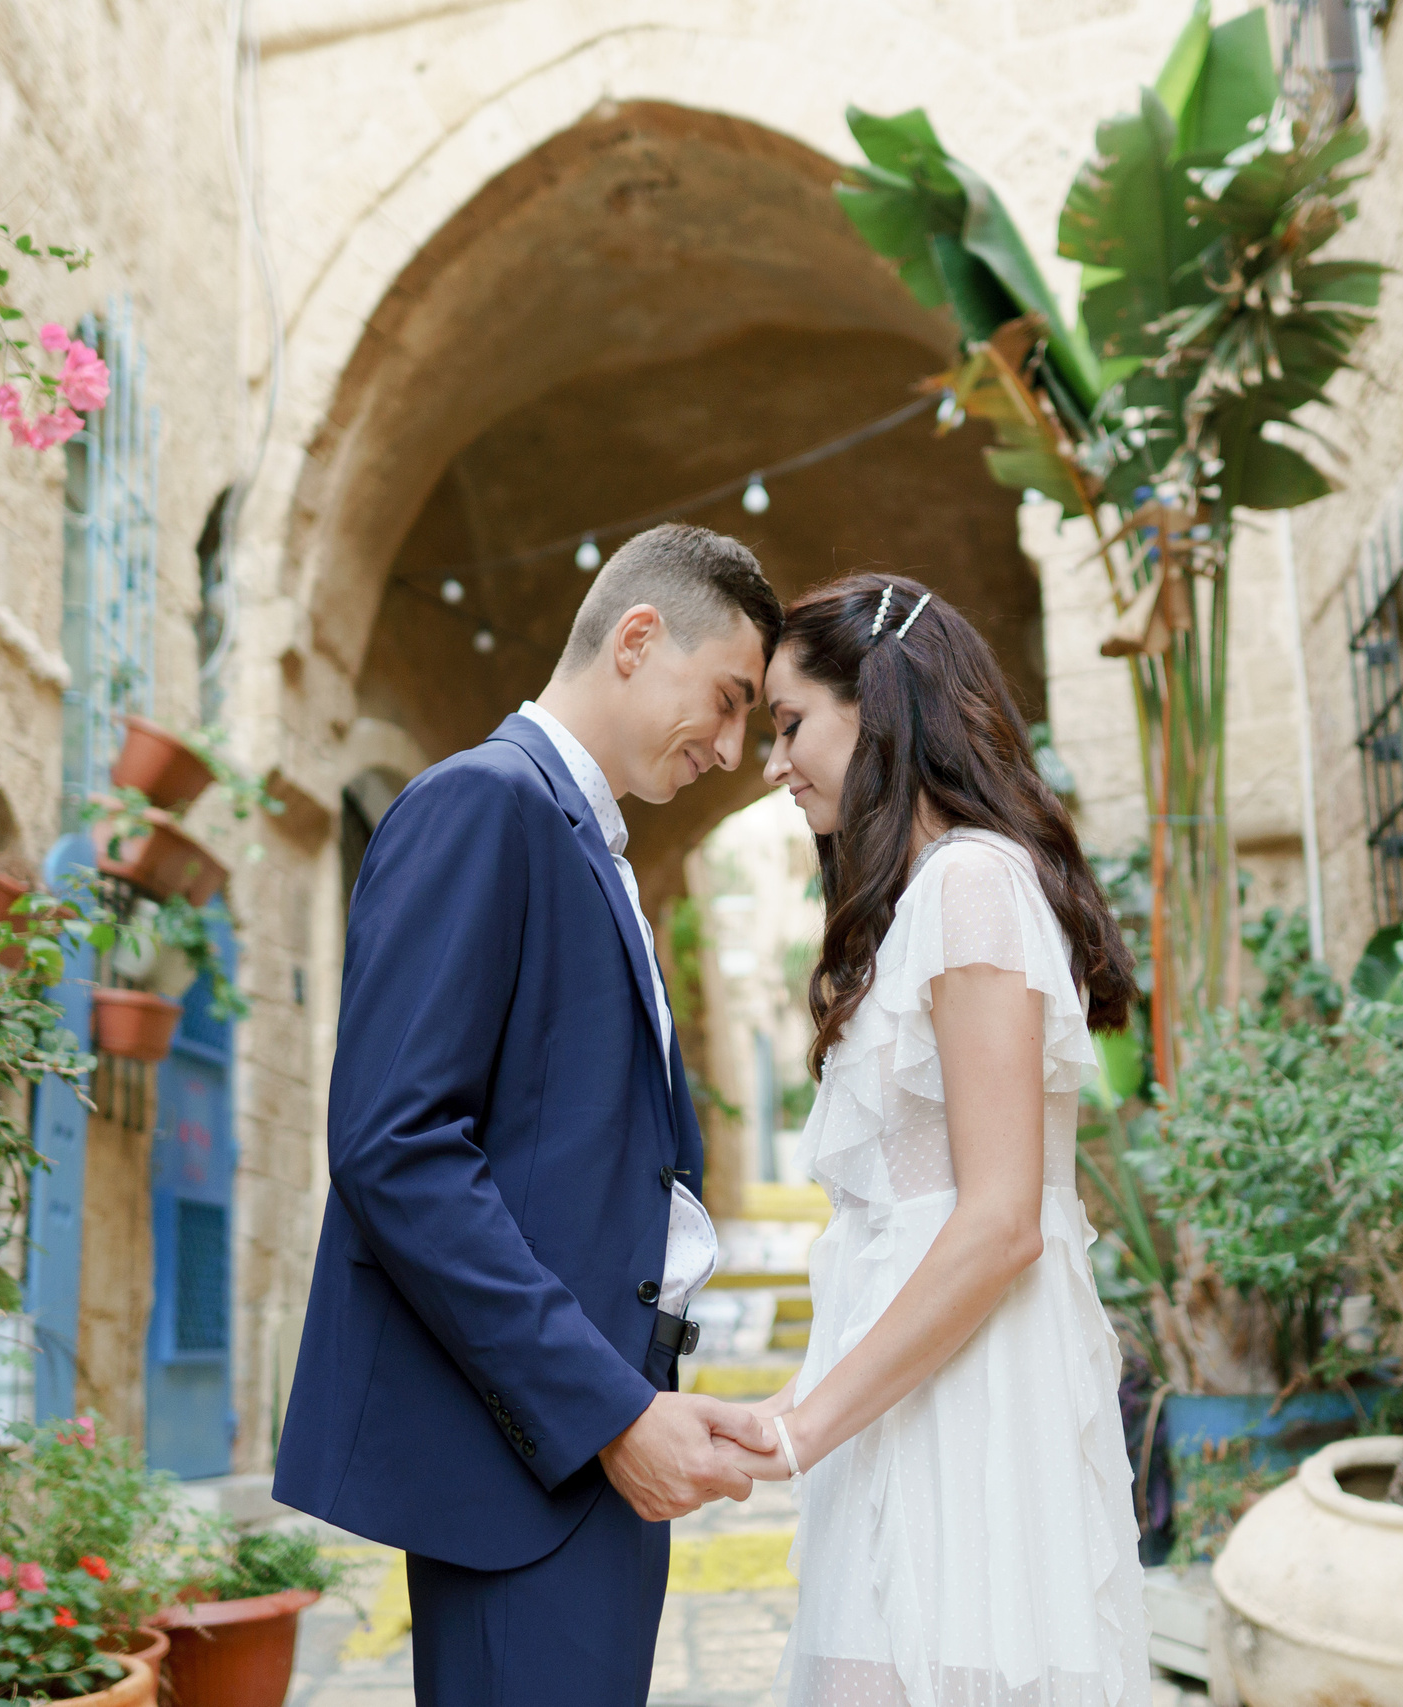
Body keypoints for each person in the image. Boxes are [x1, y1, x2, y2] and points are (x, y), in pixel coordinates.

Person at [272, 523, 785, 1707]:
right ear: (637, 638)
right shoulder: (482, 804)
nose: (730, 746)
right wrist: (608, 1414)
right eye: (726, 698)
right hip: (534, 1461)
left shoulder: (583, 841)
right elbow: (395, 1151)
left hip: (590, 1451)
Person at [738, 573, 1151, 1707]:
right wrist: (809, 1414)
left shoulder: (971, 886)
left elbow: (1001, 1218)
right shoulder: (916, 905)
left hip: (972, 1406)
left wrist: (802, 1428)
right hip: (898, 1390)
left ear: (878, 704)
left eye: (790, 725)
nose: (773, 763)